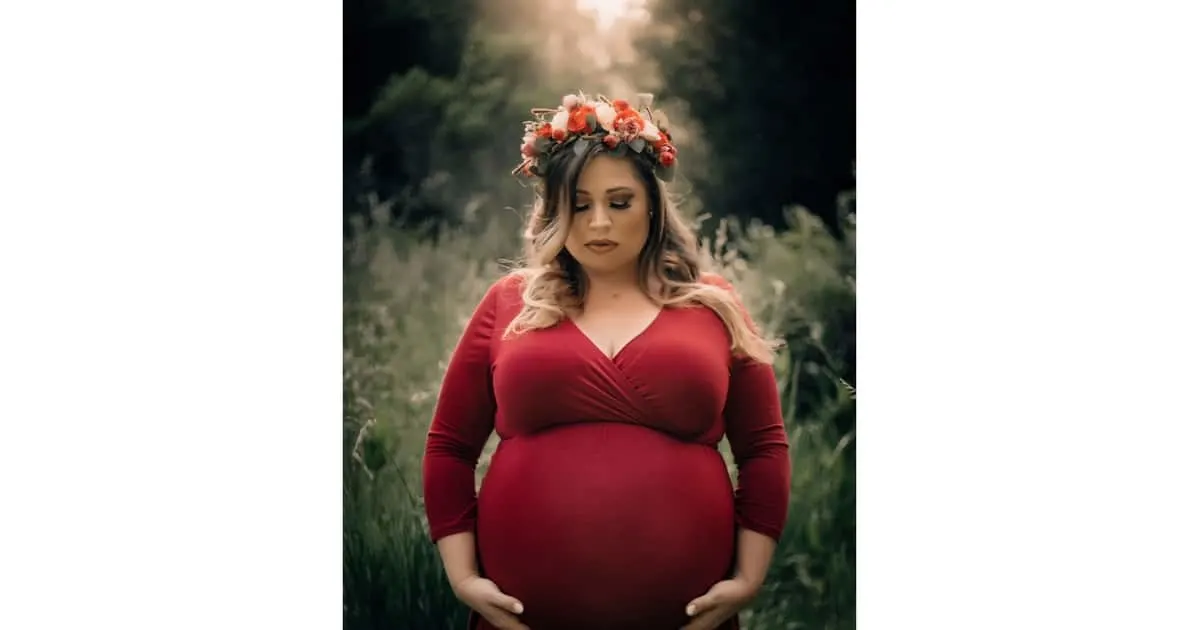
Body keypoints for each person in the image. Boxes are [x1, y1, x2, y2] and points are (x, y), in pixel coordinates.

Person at [422, 91, 792, 630]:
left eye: (619, 202)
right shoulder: (510, 301)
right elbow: (450, 447)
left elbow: (763, 448)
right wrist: (463, 579)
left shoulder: (713, 304)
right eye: (579, 204)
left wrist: (748, 579)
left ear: (651, 206)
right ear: (555, 210)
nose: (599, 223)